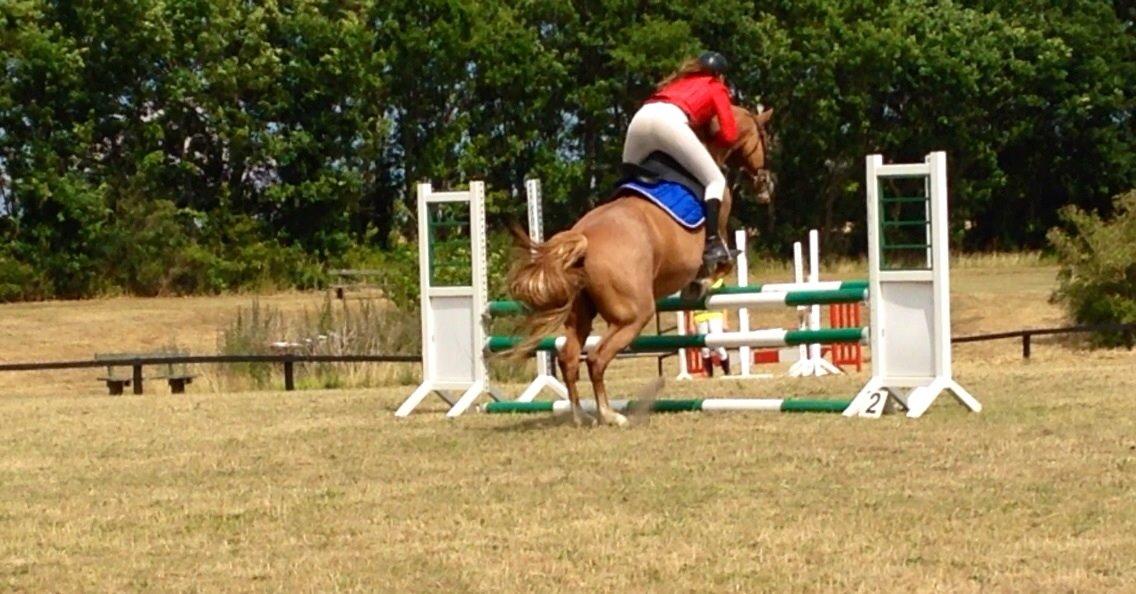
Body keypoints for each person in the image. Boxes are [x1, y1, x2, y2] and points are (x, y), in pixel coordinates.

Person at [622, 51, 737, 270]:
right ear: (720, 75)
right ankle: (712, 243)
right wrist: (713, 140)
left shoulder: (676, 83)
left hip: (639, 120)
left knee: (628, 178)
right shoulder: (716, 86)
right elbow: (730, 135)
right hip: (670, 123)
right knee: (716, 182)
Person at [693, 278, 731, 377]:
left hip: (715, 315)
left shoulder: (719, 282)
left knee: (718, 345)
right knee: (704, 349)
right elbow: (691, 301)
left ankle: (727, 372)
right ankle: (709, 374)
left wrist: (725, 320)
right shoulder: (694, 282)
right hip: (700, 316)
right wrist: (692, 322)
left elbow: (725, 302)